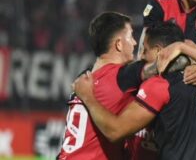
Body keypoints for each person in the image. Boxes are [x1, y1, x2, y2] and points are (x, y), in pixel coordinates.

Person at [73, 22, 196, 160]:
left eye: (145, 49)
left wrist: (88, 97)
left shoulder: (160, 85)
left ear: (159, 50)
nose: (141, 56)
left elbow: (115, 131)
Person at [58, 12, 137, 159]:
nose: (135, 43)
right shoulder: (124, 76)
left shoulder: (83, 77)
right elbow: (160, 65)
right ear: (119, 44)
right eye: (131, 36)